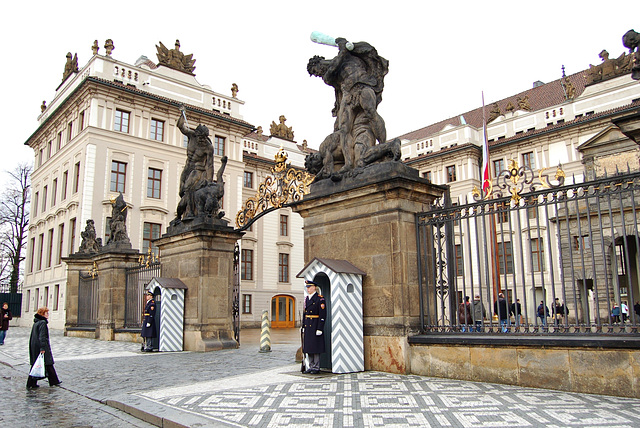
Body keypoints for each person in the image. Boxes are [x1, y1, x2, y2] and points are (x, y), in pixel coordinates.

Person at [27, 307, 61, 389]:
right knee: (47, 363)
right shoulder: (42, 323)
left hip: (35, 345)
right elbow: (42, 336)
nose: (48, 314)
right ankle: (52, 381)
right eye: (47, 313)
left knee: (41, 364)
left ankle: (52, 381)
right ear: (43, 314)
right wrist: (42, 348)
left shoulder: (36, 322)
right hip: (41, 346)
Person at [302, 280, 326, 374]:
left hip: (315, 325)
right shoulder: (307, 298)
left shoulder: (320, 299)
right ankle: (311, 366)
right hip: (308, 326)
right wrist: (303, 325)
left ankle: (316, 367)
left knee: (316, 347)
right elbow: (305, 313)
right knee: (309, 347)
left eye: (309, 287)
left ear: (314, 287)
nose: (308, 289)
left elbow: (322, 315)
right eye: (307, 287)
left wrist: (320, 328)